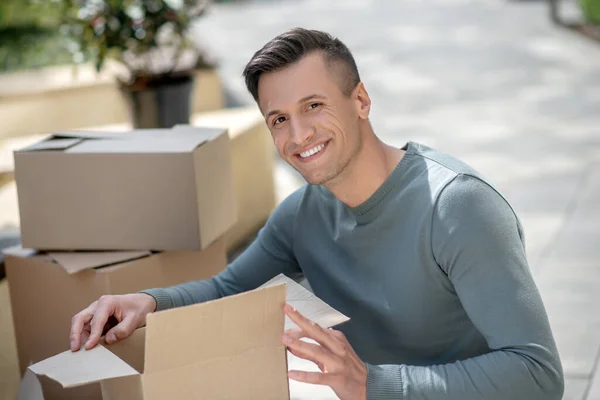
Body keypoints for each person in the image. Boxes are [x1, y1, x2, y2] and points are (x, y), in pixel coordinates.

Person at [69, 28, 564, 400]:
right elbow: (227, 290)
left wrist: (374, 383)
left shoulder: (457, 207)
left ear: (361, 101)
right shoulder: (302, 214)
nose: (298, 134)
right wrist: (147, 302)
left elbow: (539, 374)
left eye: (314, 105)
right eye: (279, 119)